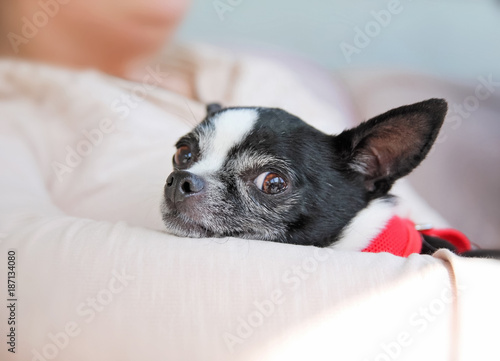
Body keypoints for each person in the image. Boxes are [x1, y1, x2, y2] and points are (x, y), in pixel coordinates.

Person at [0, 1, 499, 360]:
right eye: (186, 157)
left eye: (270, 182)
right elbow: (17, 279)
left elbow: (432, 236)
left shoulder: (241, 68)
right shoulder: (16, 104)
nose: (185, 181)